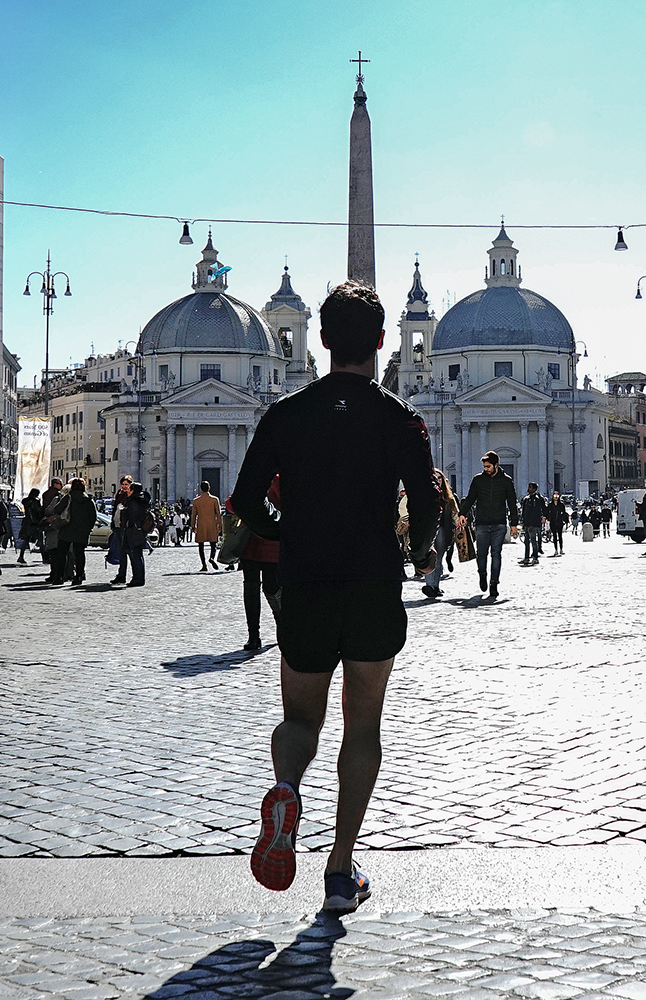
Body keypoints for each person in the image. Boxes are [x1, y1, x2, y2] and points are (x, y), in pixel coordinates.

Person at [230, 281, 439, 915]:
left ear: (321, 340)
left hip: (307, 583)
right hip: (374, 583)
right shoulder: (401, 420)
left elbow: (244, 501)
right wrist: (418, 548)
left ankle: (287, 789)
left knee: (300, 719)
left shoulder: (286, 415)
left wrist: (285, 526)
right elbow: (426, 506)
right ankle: (341, 868)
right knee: (362, 725)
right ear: (380, 341)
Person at [228, 475, 282, 647]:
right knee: (272, 588)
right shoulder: (282, 480)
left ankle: (254, 635)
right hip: (272, 545)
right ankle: (282, 628)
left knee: (251, 588)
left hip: (252, 543)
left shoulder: (254, 479)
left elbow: (233, 503)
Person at [457, 451, 519, 600]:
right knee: (481, 554)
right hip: (482, 523)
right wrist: (462, 514)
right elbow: (471, 498)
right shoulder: (478, 480)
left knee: (496, 554)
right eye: (484, 466)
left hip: (499, 523)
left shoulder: (506, 481)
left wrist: (514, 524)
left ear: (496, 465)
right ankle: (482, 574)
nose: (486, 469)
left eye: (488, 466)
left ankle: (494, 584)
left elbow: (512, 503)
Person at [422, 471, 459, 599]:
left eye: (440, 478)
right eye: (435, 478)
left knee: (439, 558)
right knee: (429, 556)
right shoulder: (426, 495)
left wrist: (460, 524)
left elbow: (455, 513)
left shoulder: (448, 497)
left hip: (443, 528)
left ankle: (435, 586)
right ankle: (430, 585)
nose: (438, 480)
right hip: (428, 529)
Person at [57, 478, 94, 585]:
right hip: (81, 531)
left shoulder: (67, 498)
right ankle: (78, 577)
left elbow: (57, 509)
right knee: (79, 555)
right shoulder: (88, 500)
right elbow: (93, 517)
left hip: (66, 528)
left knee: (62, 554)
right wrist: (88, 528)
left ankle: (59, 576)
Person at [117, 482, 152, 589]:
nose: (127, 491)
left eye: (129, 489)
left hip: (133, 530)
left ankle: (137, 578)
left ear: (133, 491)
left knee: (135, 555)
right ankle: (138, 577)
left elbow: (133, 516)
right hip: (138, 530)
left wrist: (128, 521)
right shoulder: (141, 500)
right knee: (137, 554)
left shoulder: (133, 501)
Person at [191, 481, 223, 571]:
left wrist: (193, 525)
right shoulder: (214, 499)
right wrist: (219, 524)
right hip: (212, 524)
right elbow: (218, 514)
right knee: (213, 544)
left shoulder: (196, 501)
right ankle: (212, 557)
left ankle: (204, 565)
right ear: (209, 488)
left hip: (201, 524)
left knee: (201, 546)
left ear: (201, 489)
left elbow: (193, 515)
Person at [41, 478, 67, 583]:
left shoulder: (47, 494)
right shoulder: (57, 496)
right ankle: (60, 575)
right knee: (59, 553)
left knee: (54, 552)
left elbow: (46, 510)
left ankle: (55, 574)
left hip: (51, 526)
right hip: (59, 527)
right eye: (60, 484)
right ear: (55, 484)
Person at [518, 482, 546, 566]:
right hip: (526, 523)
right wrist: (522, 522)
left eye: (530, 487)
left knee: (533, 541)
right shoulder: (526, 499)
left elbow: (535, 513)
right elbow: (524, 512)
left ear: (534, 489)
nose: (528, 488)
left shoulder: (536, 499)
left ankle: (535, 557)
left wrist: (531, 524)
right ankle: (526, 558)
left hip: (532, 524)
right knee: (526, 542)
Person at [17, 488, 43, 565]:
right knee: (41, 540)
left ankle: (21, 556)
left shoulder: (26, 501)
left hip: (27, 522)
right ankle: (44, 557)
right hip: (35, 523)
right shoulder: (35, 501)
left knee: (25, 540)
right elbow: (38, 511)